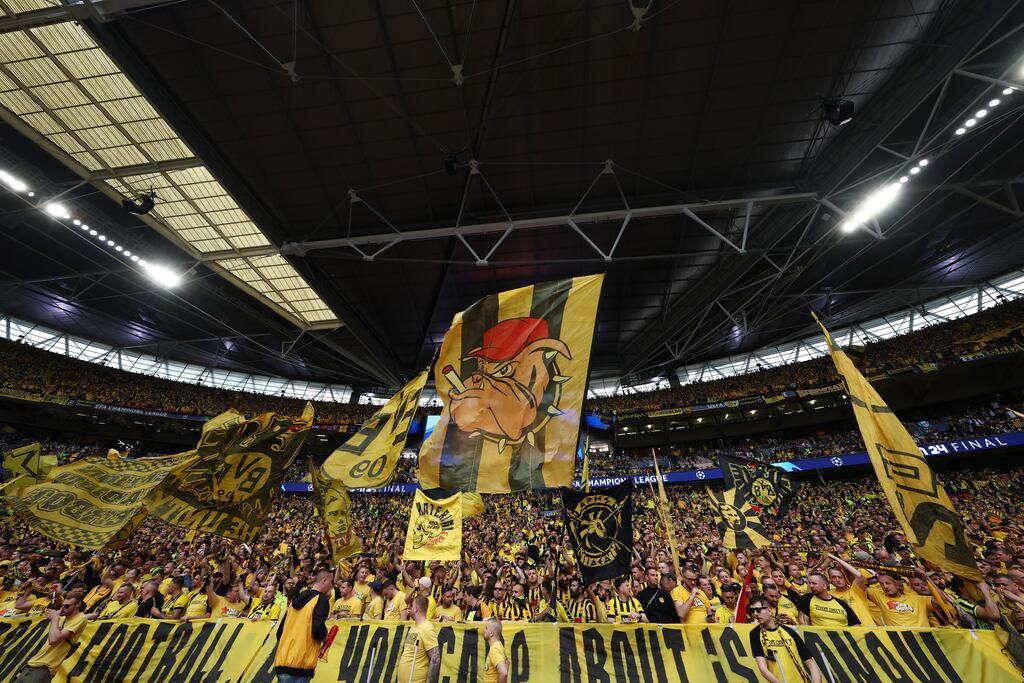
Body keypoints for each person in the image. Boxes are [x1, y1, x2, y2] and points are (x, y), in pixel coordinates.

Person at [273, 569, 333, 683]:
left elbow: (279, 632)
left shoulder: (293, 602)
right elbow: (317, 629)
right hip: (301, 664)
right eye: (331, 582)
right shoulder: (320, 599)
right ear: (324, 581)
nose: (332, 585)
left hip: (282, 662)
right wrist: (325, 636)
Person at [13, 595, 88, 682]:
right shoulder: (61, 618)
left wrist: (55, 618)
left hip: (46, 666)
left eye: (66, 606)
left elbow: (53, 640)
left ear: (78, 604)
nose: (62, 609)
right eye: (62, 606)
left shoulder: (81, 618)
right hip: (34, 662)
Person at [747, 596, 822, 683]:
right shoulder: (755, 634)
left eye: (758, 610)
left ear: (769, 610)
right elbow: (763, 669)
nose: (755, 614)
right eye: (752, 611)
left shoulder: (789, 631)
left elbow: (811, 664)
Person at [397, 596, 440, 683]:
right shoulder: (414, 626)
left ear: (416, 609)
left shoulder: (427, 627)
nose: (410, 608)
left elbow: (435, 658)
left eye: (412, 606)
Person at [795, 571, 859, 627]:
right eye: (809, 583)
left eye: (814, 583)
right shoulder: (806, 599)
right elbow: (803, 622)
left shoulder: (841, 603)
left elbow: (856, 625)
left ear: (824, 585)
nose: (811, 586)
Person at [483, 617, 509, 683]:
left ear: (491, 633)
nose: (484, 630)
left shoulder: (495, 649)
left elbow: (504, 672)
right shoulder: (499, 646)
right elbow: (508, 663)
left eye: (486, 628)